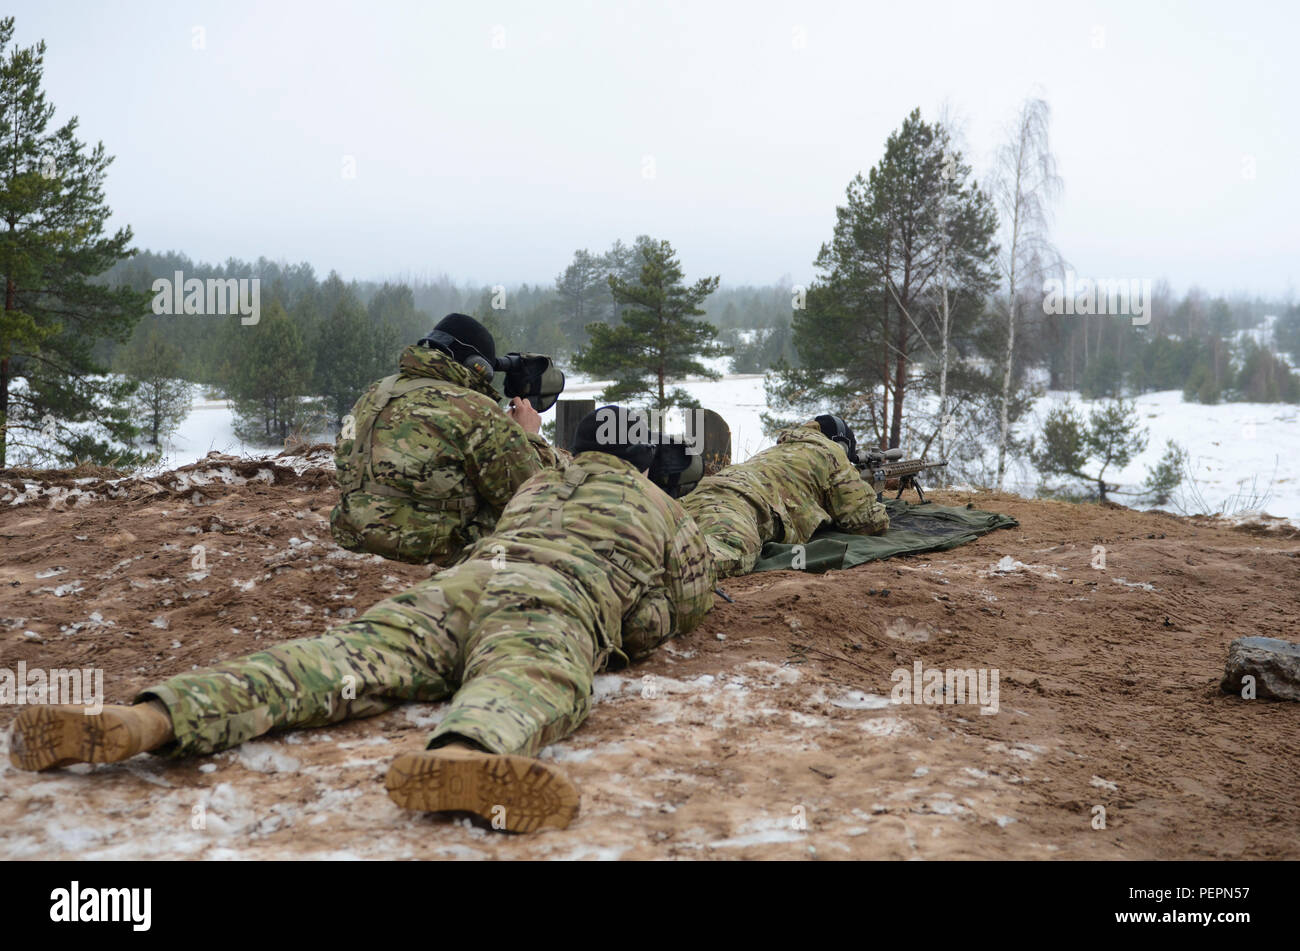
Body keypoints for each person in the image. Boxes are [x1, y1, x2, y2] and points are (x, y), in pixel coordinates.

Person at [9, 406, 715, 834]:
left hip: (463, 582)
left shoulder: (538, 480)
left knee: (331, 659)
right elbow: (674, 611)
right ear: (651, 466)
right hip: (555, 595)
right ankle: (464, 754)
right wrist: (618, 621)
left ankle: (150, 718)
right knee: (530, 676)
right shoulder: (663, 509)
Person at [330, 312, 565, 566]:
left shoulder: (375, 394)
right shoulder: (476, 409)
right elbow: (531, 496)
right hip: (432, 552)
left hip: (352, 537)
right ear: (479, 366)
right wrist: (527, 436)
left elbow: (344, 463)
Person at [682, 414, 889, 578]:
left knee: (661, 539)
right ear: (841, 445)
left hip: (697, 493)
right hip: (739, 503)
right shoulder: (830, 451)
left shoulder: (780, 449)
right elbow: (864, 521)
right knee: (712, 559)